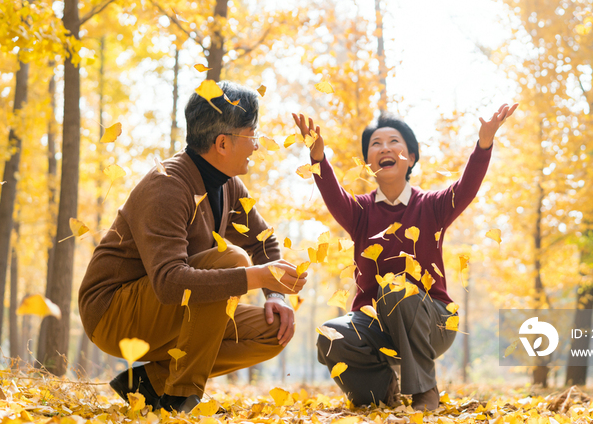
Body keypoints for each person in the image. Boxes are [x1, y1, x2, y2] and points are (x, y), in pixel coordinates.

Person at [79, 81, 307, 413]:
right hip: (114, 313)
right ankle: (180, 400)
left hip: (164, 309)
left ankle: (149, 384)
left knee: (272, 332)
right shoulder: (167, 186)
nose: (256, 146)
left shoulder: (229, 184)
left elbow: (264, 240)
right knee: (232, 258)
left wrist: (275, 294)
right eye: (252, 134)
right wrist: (256, 277)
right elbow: (170, 284)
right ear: (223, 143)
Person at [293, 104, 516, 410]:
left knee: (395, 287)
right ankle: (383, 389)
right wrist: (318, 157)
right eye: (376, 144)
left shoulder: (433, 206)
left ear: (410, 157)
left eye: (394, 141)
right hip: (375, 327)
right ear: (369, 162)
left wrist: (484, 144)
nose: (385, 147)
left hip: (433, 321)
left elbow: (466, 188)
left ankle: (425, 392)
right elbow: (333, 193)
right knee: (330, 335)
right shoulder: (359, 212)